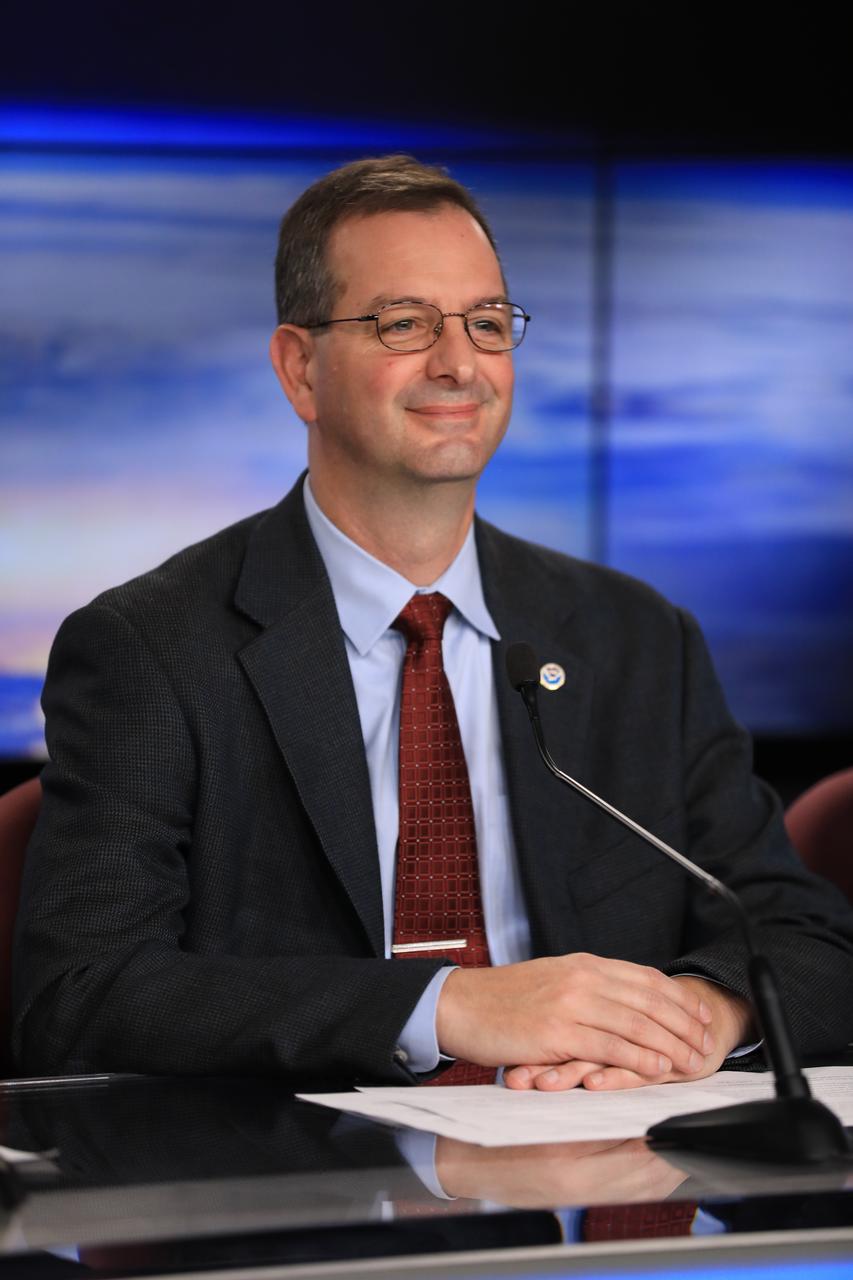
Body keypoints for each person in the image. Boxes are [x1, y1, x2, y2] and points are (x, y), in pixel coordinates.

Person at [13, 156, 853, 1091]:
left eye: (487, 325)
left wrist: (700, 1015)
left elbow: (805, 938)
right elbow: (79, 994)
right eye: (403, 323)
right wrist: (448, 1006)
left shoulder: (639, 640)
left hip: (595, 1185)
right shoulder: (153, 647)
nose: (458, 364)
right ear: (300, 369)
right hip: (299, 1200)